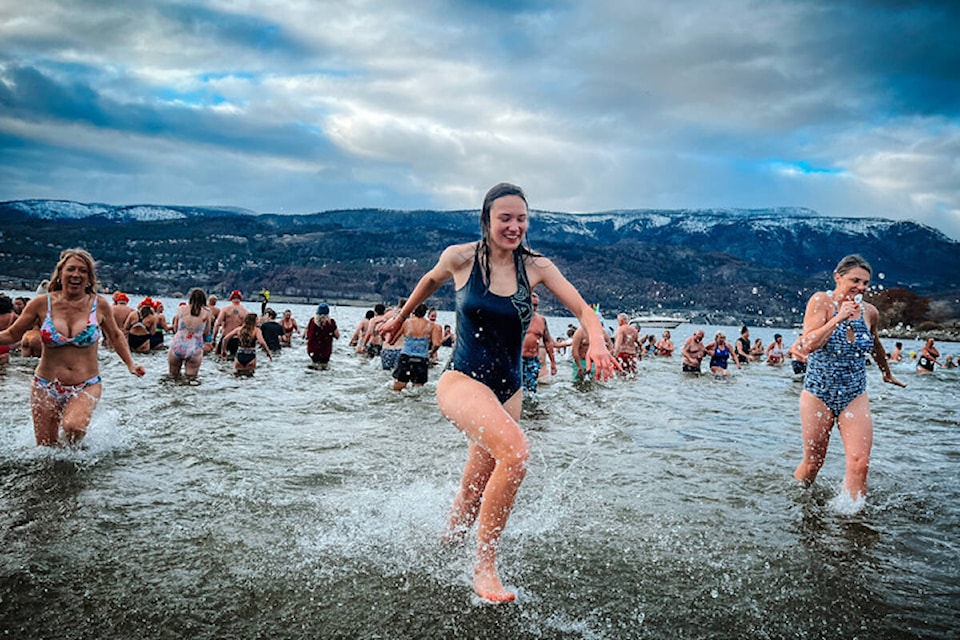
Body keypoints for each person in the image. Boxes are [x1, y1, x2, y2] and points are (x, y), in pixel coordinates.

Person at [378, 183, 617, 603]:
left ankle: (447, 543)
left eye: (521, 218)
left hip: (509, 389)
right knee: (517, 453)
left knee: (478, 479)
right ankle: (484, 566)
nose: (514, 226)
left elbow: (583, 310)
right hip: (462, 378)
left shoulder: (537, 266)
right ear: (486, 219)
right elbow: (429, 281)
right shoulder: (461, 257)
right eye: (505, 218)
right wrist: (399, 320)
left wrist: (596, 340)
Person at [0, 248, 145, 445]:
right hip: (46, 384)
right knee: (46, 449)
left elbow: (116, 335)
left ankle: (77, 464)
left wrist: (130, 364)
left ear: (89, 277)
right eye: (71, 269)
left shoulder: (99, 305)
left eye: (83, 271)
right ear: (60, 273)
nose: (76, 275)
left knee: (73, 427)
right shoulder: (42, 304)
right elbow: (12, 334)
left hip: (86, 383)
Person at [793, 254, 905, 502]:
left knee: (860, 463)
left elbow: (875, 344)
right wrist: (839, 317)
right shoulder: (821, 302)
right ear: (838, 277)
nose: (861, 288)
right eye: (855, 280)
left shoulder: (870, 312)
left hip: (854, 393)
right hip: (818, 393)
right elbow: (807, 345)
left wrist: (886, 373)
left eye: (865, 283)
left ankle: (851, 519)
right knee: (813, 463)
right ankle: (798, 501)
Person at [168, 288, 213, 379]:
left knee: (172, 377)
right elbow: (207, 332)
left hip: (178, 344)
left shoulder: (181, 309)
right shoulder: (207, 312)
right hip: (194, 347)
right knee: (191, 379)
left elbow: (175, 327)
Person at [521, 292, 557, 393]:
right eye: (531, 304)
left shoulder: (541, 320)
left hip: (532, 360)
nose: (533, 308)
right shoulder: (516, 318)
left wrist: (553, 363)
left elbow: (548, 342)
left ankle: (531, 407)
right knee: (514, 391)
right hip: (517, 359)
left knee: (531, 391)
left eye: (535, 305)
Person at [392, 303, 431, 389]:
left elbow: (393, 339)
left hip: (406, 356)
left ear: (414, 311)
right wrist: (432, 352)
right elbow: (437, 343)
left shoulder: (407, 323)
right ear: (425, 313)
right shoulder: (430, 325)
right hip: (422, 358)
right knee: (418, 387)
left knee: (400, 383)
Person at [213, 290, 250, 358]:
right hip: (237, 339)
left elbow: (217, 324)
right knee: (235, 359)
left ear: (231, 298)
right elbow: (248, 329)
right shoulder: (245, 312)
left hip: (225, 338)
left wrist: (214, 339)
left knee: (218, 358)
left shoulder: (225, 309)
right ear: (240, 298)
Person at [305, 303, 340, 369]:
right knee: (324, 367)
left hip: (313, 350)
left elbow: (306, 332)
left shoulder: (312, 321)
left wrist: (307, 339)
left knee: (313, 366)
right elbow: (337, 336)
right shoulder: (331, 322)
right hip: (325, 350)